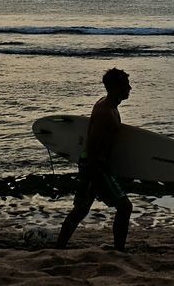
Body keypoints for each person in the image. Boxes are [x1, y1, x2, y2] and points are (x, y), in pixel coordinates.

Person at [56, 68, 133, 251]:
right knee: (124, 207)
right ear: (116, 88)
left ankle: (59, 247)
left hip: (95, 164)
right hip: (95, 166)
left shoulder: (109, 106)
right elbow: (93, 148)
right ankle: (119, 250)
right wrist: (95, 176)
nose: (130, 88)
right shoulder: (106, 112)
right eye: (126, 85)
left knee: (81, 209)